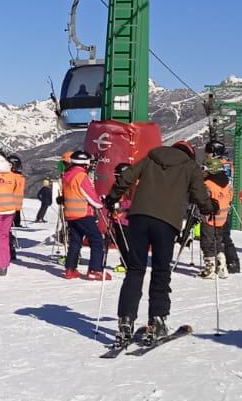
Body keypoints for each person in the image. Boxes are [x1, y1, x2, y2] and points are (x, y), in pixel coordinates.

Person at [105, 138, 216, 343]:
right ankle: (157, 321)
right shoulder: (190, 167)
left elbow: (127, 177)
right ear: (189, 154)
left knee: (135, 269)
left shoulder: (151, 158)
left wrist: (112, 197)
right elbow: (199, 196)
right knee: (160, 271)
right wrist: (210, 207)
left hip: (138, 218)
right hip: (166, 222)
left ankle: (126, 320)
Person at [59, 150, 110, 280]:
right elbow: (89, 194)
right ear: (85, 163)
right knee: (97, 239)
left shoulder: (67, 174)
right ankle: (95, 270)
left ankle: (70, 269)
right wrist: (100, 203)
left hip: (70, 213)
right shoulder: (81, 176)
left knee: (75, 241)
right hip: (82, 213)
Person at [200, 156, 240, 278]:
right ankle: (221, 264)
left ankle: (210, 268)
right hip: (222, 218)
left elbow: (202, 200)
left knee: (207, 242)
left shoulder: (208, 184)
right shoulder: (227, 184)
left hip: (209, 218)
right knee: (219, 241)